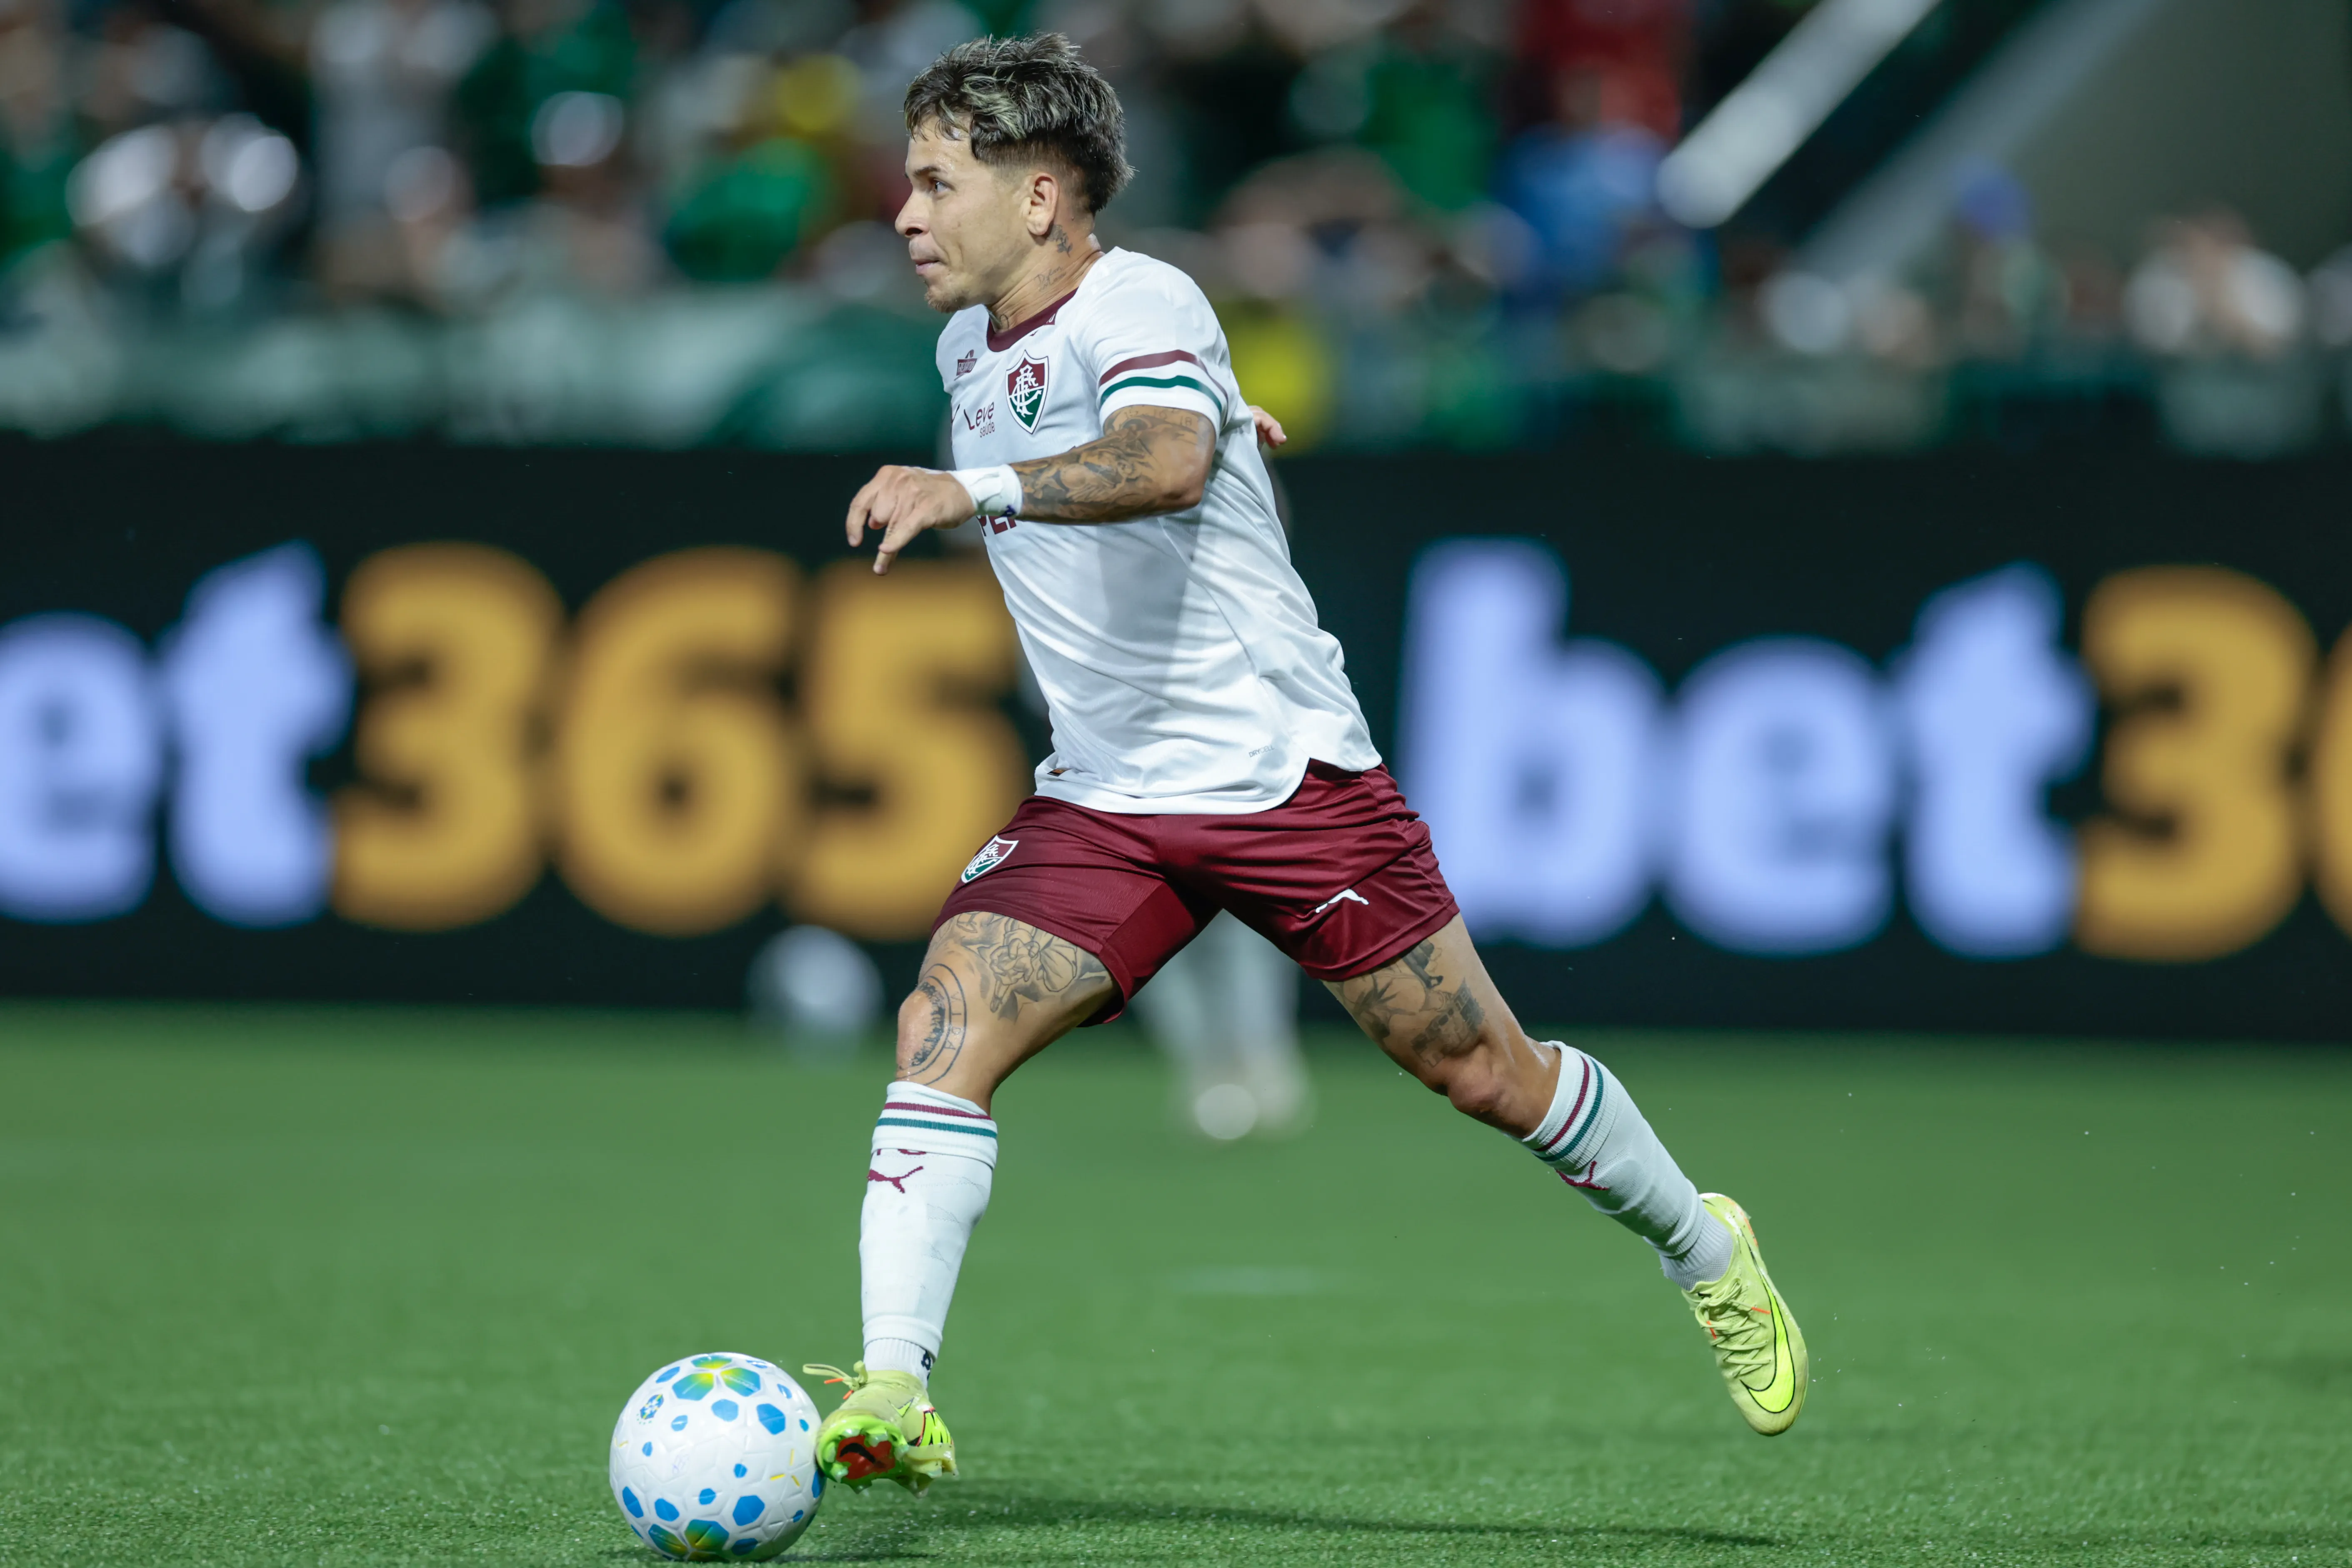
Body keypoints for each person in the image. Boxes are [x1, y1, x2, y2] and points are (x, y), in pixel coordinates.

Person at [801, 33, 1807, 1494]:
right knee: (942, 1030)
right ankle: (894, 1387)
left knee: (1485, 1071)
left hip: (1283, 781)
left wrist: (990, 482)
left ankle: (1705, 1249)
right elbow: (1156, 445)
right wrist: (1181, 428)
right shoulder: (968, 347)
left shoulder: (1141, 298)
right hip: (1105, 794)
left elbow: (1162, 459)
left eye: (936, 183)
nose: (904, 214)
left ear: (1038, 197)